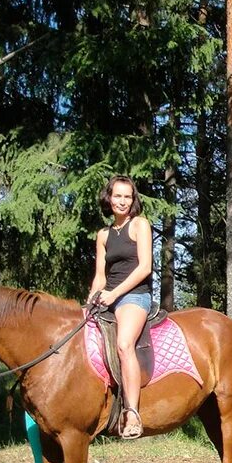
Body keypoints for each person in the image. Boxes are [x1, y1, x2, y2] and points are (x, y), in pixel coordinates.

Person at [87, 175, 153, 439]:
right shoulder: (103, 235)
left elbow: (144, 267)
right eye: (118, 196)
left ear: (133, 199)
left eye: (127, 196)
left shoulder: (140, 225)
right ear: (109, 198)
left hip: (134, 297)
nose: (122, 201)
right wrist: (93, 296)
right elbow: (100, 276)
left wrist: (113, 294)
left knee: (124, 344)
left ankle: (132, 413)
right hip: (109, 295)